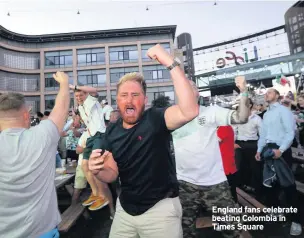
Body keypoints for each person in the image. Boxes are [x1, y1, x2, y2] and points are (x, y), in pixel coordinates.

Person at [89, 44, 199, 238]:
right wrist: (97, 170)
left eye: (135, 95)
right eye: (124, 95)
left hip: (160, 210)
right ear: (118, 101)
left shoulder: (155, 119)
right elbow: (112, 173)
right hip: (126, 210)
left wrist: (168, 62)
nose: (129, 100)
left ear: (145, 100)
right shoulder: (112, 131)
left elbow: (189, 110)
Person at [172, 77, 249, 238]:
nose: (185, 89)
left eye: (190, 86)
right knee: (183, 232)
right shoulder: (171, 118)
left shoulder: (212, 111)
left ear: (197, 93)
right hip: (184, 184)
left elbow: (241, 118)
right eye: (182, 87)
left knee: (232, 230)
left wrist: (243, 91)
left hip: (215, 183)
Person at [0, 72, 70, 238]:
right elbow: (61, 109)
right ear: (26, 115)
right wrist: (64, 84)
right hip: (43, 233)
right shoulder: (42, 136)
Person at [255, 88, 302, 236]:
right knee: (271, 185)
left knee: (288, 186)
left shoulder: (284, 111)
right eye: (265, 93)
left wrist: (281, 150)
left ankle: (296, 221)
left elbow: (290, 132)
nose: (266, 94)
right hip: (268, 150)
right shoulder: (267, 114)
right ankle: (276, 211)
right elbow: (263, 135)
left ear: (277, 95)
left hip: (281, 150)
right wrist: (258, 150)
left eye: (269, 92)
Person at [71, 85, 114, 214]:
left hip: (99, 135)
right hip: (90, 136)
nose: (78, 97)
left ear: (86, 94)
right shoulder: (80, 107)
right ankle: (95, 193)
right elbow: (85, 123)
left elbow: (94, 90)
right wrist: (76, 121)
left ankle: (103, 197)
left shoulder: (91, 100)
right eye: (76, 96)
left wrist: (75, 86)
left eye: (81, 95)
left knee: (93, 166)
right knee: (84, 165)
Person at [234, 98, 262, 196]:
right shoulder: (238, 117)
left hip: (253, 144)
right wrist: (233, 143)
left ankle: (257, 190)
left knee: (254, 167)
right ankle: (241, 187)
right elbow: (234, 130)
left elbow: (262, 134)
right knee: (239, 167)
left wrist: (259, 148)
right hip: (239, 144)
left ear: (250, 105)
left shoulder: (257, 118)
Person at [217, 125, 238, 203]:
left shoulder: (224, 127)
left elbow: (212, 143)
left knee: (229, 193)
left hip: (225, 165)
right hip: (225, 165)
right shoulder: (224, 127)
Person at [72, 131, 89, 204]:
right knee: (78, 190)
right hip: (82, 165)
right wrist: (89, 148)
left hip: (96, 165)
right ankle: (72, 211)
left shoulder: (103, 132)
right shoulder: (86, 134)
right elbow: (77, 150)